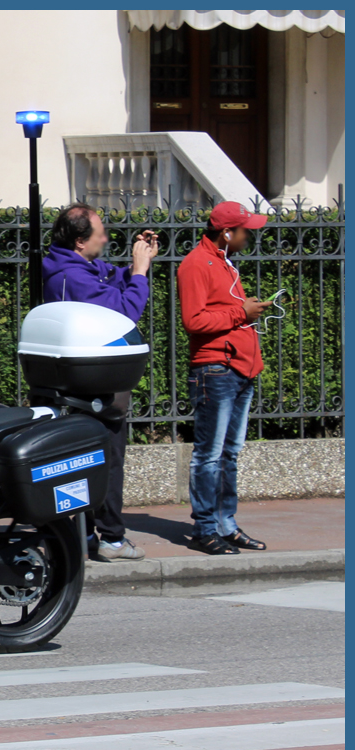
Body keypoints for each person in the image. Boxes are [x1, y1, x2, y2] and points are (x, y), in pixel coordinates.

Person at [42, 204, 157, 562]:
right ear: (80, 241)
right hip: (93, 384)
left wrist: (136, 265)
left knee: (94, 460)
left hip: (89, 378)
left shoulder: (74, 267)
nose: (106, 238)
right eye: (100, 233)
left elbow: (108, 280)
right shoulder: (72, 276)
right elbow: (122, 315)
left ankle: (90, 534)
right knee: (106, 460)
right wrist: (140, 273)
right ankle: (111, 538)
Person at [177, 201, 272, 555]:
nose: (251, 236)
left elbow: (222, 312)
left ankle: (226, 524)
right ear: (227, 232)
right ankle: (205, 529)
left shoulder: (224, 262)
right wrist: (240, 312)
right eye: (246, 230)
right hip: (215, 369)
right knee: (210, 454)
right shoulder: (195, 265)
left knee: (229, 453)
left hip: (240, 368)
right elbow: (194, 321)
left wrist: (245, 312)